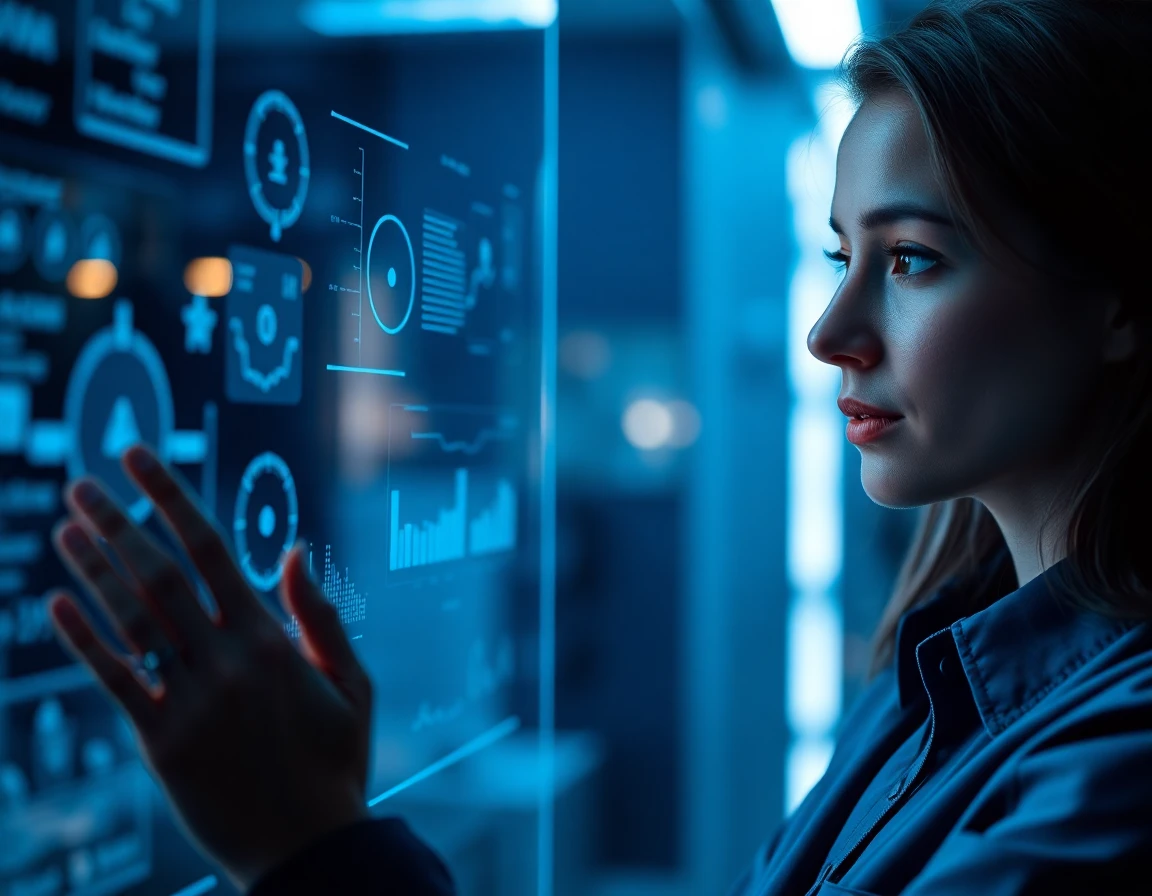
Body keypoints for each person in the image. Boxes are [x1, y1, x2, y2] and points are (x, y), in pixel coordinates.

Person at [46, 0, 1152, 893]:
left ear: (1118, 301)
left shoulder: (1114, 762)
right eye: (838, 258)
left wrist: (314, 849)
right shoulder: (935, 668)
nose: (829, 333)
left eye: (911, 259)